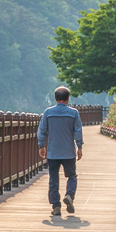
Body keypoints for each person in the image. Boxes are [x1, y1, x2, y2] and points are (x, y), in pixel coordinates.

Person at [37, 86, 83, 216]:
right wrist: (79, 147)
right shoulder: (73, 113)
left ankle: (56, 206)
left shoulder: (48, 112)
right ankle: (69, 195)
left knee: (53, 178)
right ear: (68, 98)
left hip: (53, 152)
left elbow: (42, 131)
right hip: (68, 152)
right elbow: (78, 131)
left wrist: (41, 146)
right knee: (72, 176)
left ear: (56, 98)